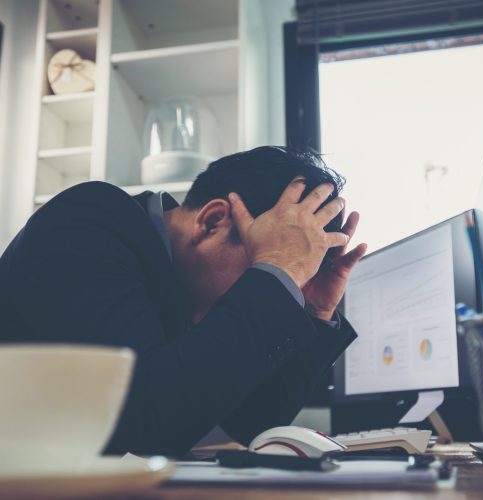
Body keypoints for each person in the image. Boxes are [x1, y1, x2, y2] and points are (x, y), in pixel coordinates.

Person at [0, 146, 367, 457]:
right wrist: (275, 273)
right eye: (269, 256)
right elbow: (142, 426)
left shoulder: (183, 285)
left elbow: (251, 424)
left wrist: (313, 310)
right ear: (212, 221)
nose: (282, 277)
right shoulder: (90, 221)